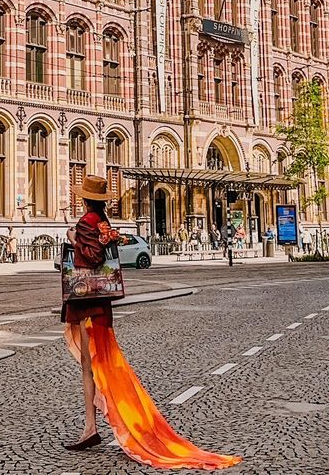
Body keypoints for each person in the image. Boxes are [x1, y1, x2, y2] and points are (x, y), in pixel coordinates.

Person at [62, 174, 242, 470]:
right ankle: (93, 426)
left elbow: (92, 258)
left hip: (87, 306)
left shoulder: (86, 223)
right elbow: (107, 251)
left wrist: (73, 240)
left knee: (91, 366)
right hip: (100, 305)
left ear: (84, 199)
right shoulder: (104, 223)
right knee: (105, 364)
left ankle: (94, 427)